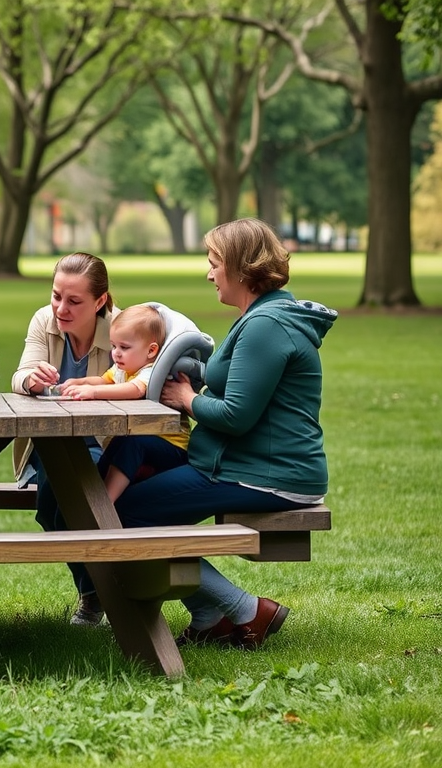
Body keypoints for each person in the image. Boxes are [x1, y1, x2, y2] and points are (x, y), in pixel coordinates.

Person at [116, 218, 336, 649]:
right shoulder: (259, 316)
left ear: (239, 267)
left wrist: (187, 398)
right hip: (241, 463)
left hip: (267, 474)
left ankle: (245, 610)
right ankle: (208, 614)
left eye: (214, 262)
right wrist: (195, 383)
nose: (209, 272)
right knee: (133, 469)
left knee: (126, 514)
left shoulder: (265, 325)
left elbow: (236, 415)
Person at [11, 252, 119, 627]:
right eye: (57, 296)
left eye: (74, 301)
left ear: (101, 301)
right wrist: (31, 381)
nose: (61, 308)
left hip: (105, 446)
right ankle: (99, 594)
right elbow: (19, 375)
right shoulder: (45, 320)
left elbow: (139, 383)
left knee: (72, 504)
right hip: (50, 442)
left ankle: (95, 598)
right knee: (50, 511)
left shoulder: (123, 328)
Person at [60, 304, 190, 503]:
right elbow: (105, 380)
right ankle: (94, 491)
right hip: (144, 442)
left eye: (124, 347)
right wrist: (80, 382)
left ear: (151, 350)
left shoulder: (152, 371)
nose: (116, 353)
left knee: (132, 443)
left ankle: (105, 502)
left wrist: (94, 392)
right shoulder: (124, 367)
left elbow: (135, 390)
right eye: (113, 346)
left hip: (171, 446)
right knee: (119, 442)